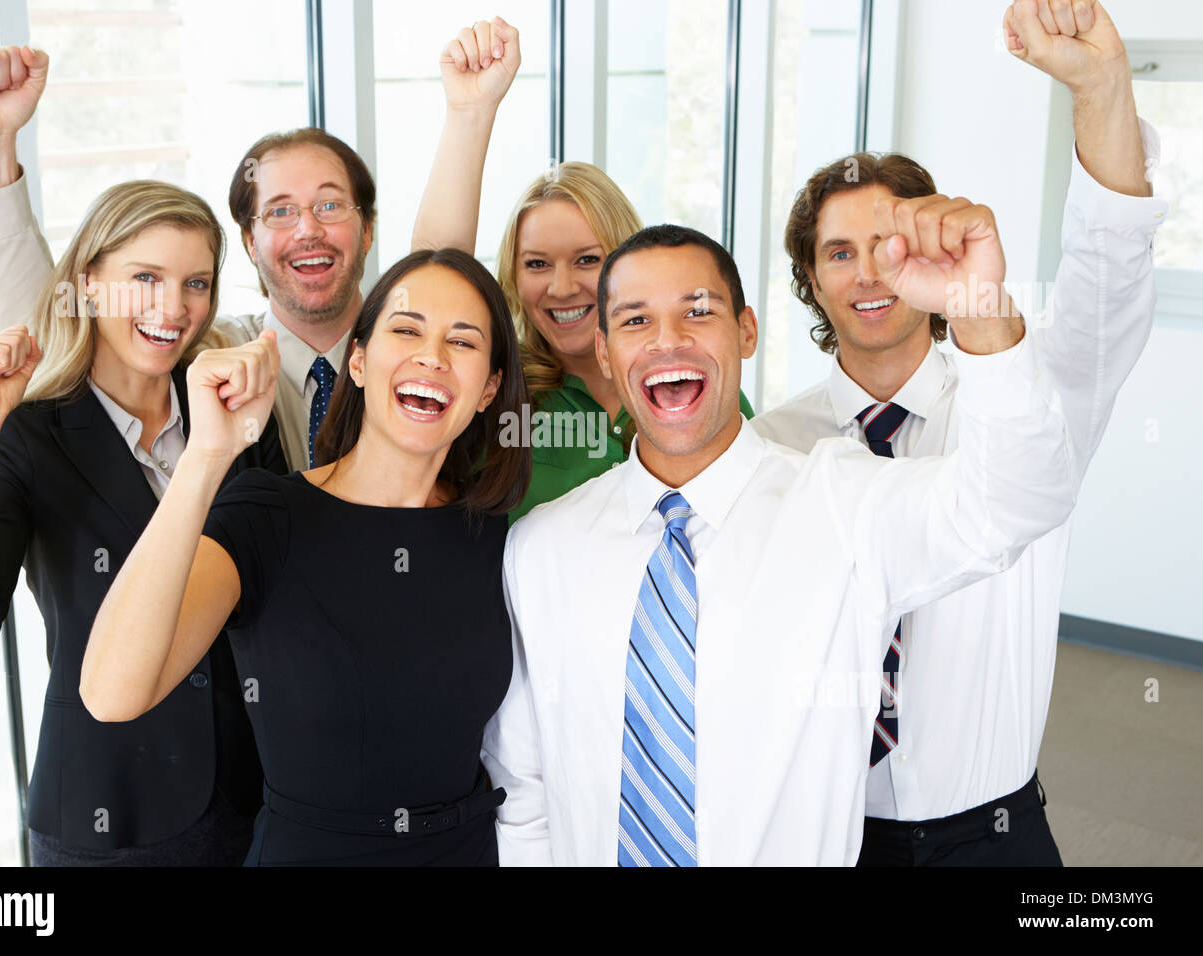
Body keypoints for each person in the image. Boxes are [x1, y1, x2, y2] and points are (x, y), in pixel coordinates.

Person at [481, 202, 1083, 864]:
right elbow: (525, 783)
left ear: (747, 331)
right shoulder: (542, 547)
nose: (667, 341)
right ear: (605, 348)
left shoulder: (845, 506)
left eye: (698, 312)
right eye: (635, 321)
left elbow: (1017, 500)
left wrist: (977, 305)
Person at [751, 0, 1166, 865]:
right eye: (837, 253)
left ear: (936, 251)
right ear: (810, 283)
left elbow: (1107, 276)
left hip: (991, 836)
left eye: (890, 244)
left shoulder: (1027, 399)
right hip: (818, 831)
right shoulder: (772, 447)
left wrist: (1101, 86)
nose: (868, 273)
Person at [80, 248, 531, 866]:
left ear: (489, 390)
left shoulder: (498, 537)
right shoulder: (267, 516)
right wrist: (207, 458)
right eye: (406, 329)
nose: (432, 355)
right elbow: (111, 693)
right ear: (360, 360)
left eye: (464, 341)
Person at [0, 179, 287, 865]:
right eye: (145, 278)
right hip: (110, 815)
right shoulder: (32, 436)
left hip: (253, 799)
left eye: (195, 282)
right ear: (87, 284)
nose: (173, 308)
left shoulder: (232, 417)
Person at [0, 44, 376, 471]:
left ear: (368, 230)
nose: (308, 229)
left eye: (330, 205)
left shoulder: (412, 354)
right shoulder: (210, 359)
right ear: (250, 242)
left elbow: (444, 253)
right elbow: (49, 327)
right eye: (280, 211)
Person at [411, 18, 754, 522]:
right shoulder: (497, 394)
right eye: (537, 264)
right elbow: (431, 282)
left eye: (588, 260)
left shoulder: (702, 380)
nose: (562, 286)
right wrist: (470, 113)